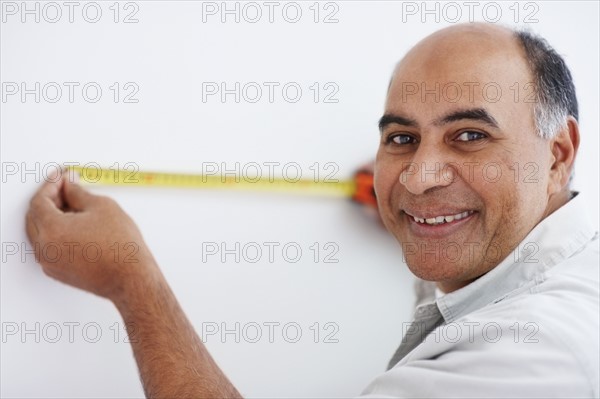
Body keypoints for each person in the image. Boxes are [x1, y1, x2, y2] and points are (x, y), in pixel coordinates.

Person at [26, 23, 598, 398]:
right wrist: (433, 216)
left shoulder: (530, 357)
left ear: (558, 154)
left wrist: (131, 281)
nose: (421, 177)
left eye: (469, 135)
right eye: (401, 139)